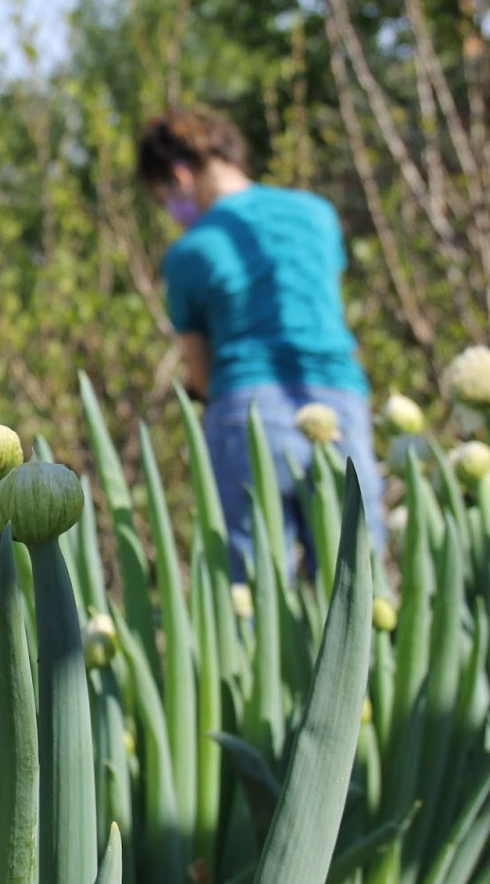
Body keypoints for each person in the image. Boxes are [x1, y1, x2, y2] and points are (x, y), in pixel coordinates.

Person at [136, 107, 386, 583]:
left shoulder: (190, 252)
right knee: (355, 580)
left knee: (253, 589)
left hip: (246, 413)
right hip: (339, 401)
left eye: (165, 195)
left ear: (180, 175)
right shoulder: (316, 214)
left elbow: (201, 372)